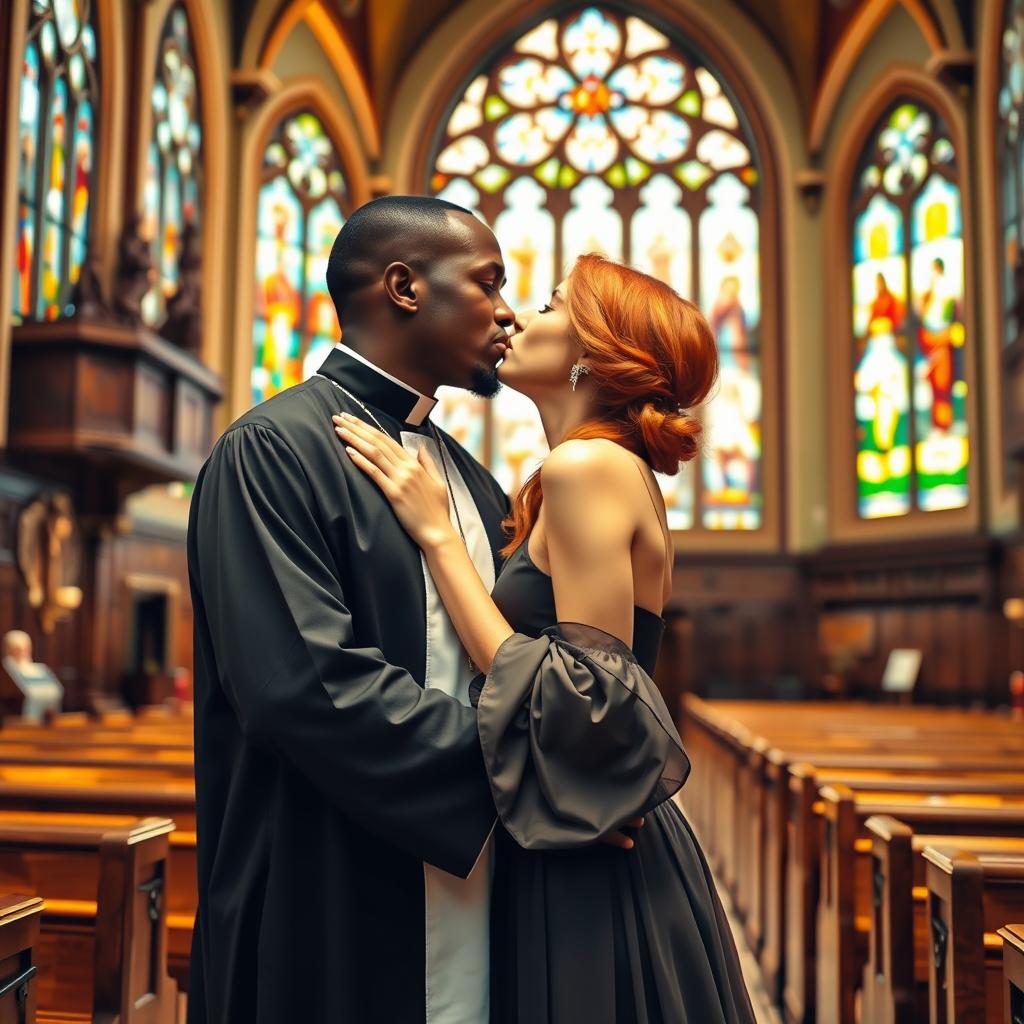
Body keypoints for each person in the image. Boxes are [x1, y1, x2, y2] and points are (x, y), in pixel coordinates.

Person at [186, 196, 636, 1023]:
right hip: (329, 880)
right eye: (489, 282)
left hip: (483, 876)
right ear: (404, 286)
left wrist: (567, 761)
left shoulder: (470, 479)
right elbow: (303, 688)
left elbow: (527, 665)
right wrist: (526, 779)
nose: (507, 311)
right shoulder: (274, 449)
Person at [336, 252, 758, 1023]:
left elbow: (581, 700)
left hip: (592, 851)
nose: (518, 317)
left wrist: (437, 537)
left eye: (551, 305)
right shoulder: (597, 469)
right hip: (585, 821)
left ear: (594, 354)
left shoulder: (587, 466)